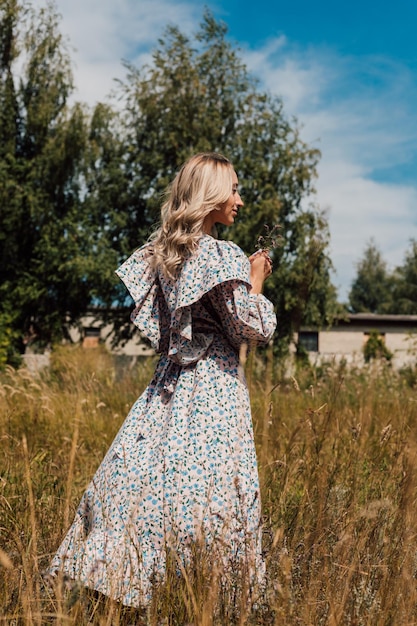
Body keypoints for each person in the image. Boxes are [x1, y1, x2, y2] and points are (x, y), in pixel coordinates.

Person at [49, 152, 277, 607]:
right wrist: (255, 280)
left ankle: (123, 578)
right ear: (210, 195)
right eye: (233, 189)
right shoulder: (221, 254)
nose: (240, 199)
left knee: (147, 479)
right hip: (212, 387)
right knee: (212, 492)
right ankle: (205, 593)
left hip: (167, 386)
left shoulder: (166, 253)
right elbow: (251, 328)